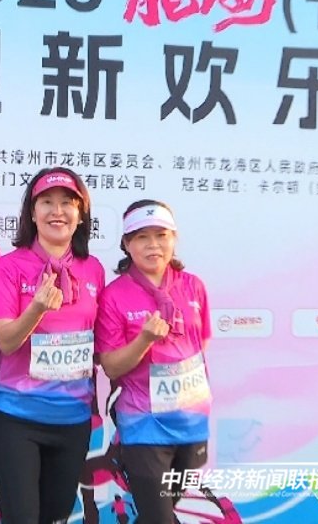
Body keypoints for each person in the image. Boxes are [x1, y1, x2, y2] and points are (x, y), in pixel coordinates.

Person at [0, 167, 106, 524]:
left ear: (81, 214)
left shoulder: (93, 269)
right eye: (47, 202)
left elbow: (98, 342)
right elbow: (7, 342)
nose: (57, 211)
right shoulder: (8, 268)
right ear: (32, 213)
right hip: (17, 418)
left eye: (67, 203)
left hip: (73, 420)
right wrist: (36, 308)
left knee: (55, 517)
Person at [95, 200, 212, 524]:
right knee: (158, 516)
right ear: (127, 244)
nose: (153, 245)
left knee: (158, 513)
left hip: (191, 422)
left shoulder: (194, 286)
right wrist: (144, 340)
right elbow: (111, 366)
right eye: (142, 237)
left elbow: (200, 345)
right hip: (143, 425)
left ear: (174, 238)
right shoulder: (114, 295)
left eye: (161, 235)